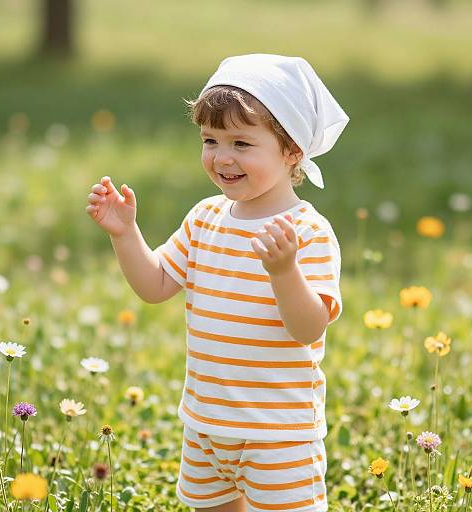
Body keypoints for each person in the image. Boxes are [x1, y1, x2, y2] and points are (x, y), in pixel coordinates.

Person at [86, 54, 349, 512]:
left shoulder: (307, 231)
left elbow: (309, 329)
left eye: (242, 143)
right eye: (211, 139)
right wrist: (126, 234)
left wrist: (284, 272)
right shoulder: (205, 217)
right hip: (205, 425)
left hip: (278, 433)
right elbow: (156, 285)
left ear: (292, 152)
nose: (222, 157)